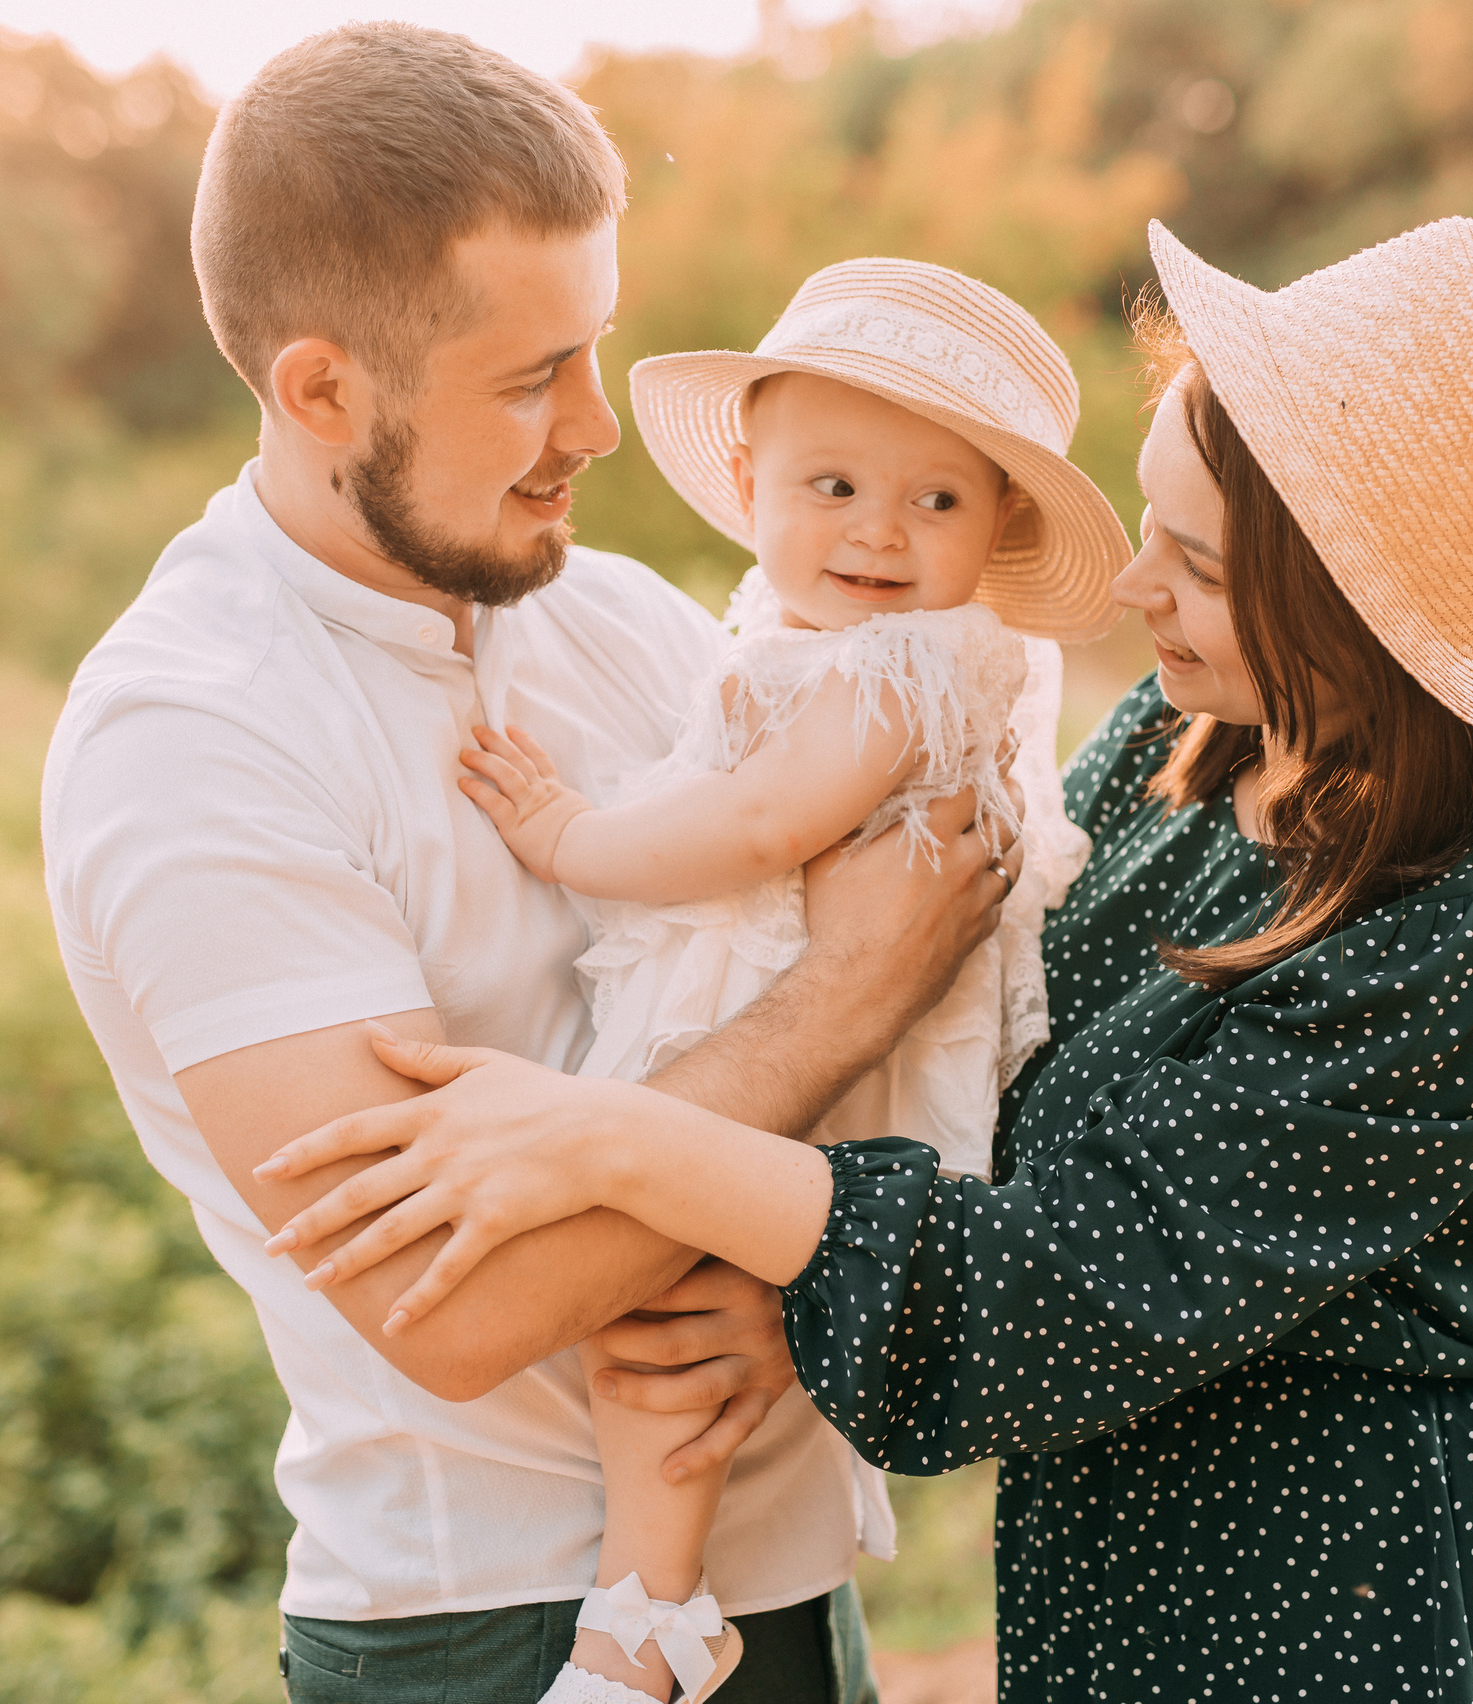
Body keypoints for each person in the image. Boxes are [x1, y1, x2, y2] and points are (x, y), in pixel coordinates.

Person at [254, 214, 1473, 1701]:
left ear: (1351, 617)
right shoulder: (1192, 745)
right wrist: (802, 1278)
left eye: (1194, 565)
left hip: (1348, 1605)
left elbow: (1076, 1288)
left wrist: (614, 1138)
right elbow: (1014, 1078)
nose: (1131, 589)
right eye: (1151, 524)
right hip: (1123, 1569)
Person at [40, 26, 1024, 1702]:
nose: (597, 427)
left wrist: (806, 1280)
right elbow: (460, 1305)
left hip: (790, 1592)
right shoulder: (194, 739)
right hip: (492, 1631)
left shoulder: (623, 618)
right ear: (323, 390)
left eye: (598, 350)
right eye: (529, 379)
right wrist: (850, 992)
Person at [431, 259, 1125, 1701]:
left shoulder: (906, 668)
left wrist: (566, 835)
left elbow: (760, 826)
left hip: (796, 1019)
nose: (878, 531)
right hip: (776, 995)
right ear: (750, 479)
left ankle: (645, 1611)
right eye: (834, 486)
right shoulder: (799, 636)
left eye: (937, 500)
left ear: (997, 526)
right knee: (662, 1300)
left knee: (662, 1288)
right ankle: (657, 1603)